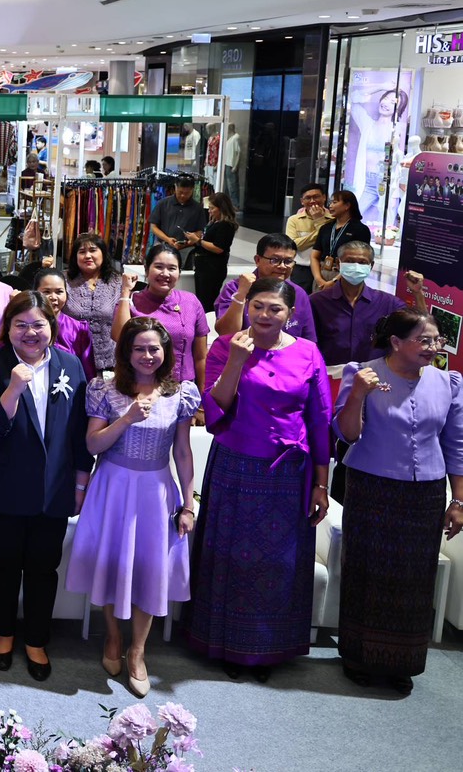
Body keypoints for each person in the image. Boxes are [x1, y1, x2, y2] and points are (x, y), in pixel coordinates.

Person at [186, 278, 330, 681]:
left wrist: (321, 482)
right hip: (236, 467)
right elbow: (215, 411)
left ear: (291, 314)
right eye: (259, 307)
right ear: (247, 306)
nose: (265, 316)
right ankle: (227, 643)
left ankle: (267, 648)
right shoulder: (226, 345)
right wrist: (235, 361)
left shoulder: (308, 353)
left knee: (276, 562)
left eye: (275, 309)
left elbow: (319, 421)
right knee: (231, 558)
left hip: (289, 473)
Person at [333, 309, 463, 695]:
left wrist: (458, 499)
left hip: (423, 495)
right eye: (424, 340)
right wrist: (358, 393)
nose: (433, 348)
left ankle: (401, 660)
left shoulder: (448, 383)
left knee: (414, 579)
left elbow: (456, 445)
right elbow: (346, 435)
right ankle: (358, 657)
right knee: (366, 572)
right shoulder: (363, 372)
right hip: (371, 487)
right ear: (396, 342)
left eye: (437, 341)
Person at [66, 318, 197, 698]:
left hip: (156, 490)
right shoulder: (105, 389)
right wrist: (126, 418)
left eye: (154, 348)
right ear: (126, 352)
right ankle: (111, 636)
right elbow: (92, 445)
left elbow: (184, 453)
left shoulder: (180, 394)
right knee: (113, 564)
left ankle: (137, 650)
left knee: (150, 569)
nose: (147, 355)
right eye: (139, 348)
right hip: (114, 485)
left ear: (166, 352)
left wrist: (187, 504)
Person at [0, 291, 91, 681]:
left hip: (54, 488)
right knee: (4, 565)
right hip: (6, 487)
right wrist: (13, 389)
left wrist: (80, 481)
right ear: (7, 328)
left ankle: (36, 640)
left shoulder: (70, 365)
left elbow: (79, 431)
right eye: (20, 324)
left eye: (38, 324)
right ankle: (3, 634)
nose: (30, 332)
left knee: (44, 567)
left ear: (51, 328)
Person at [311, 244, 424, 372]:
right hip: (329, 376)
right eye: (349, 261)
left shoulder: (387, 302)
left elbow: (420, 327)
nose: (356, 266)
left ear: (371, 265)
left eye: (362, 262)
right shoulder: (317, 302)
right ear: (338, 263)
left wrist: (418, 293)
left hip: (375, 377)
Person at [113, 244, 209, 391]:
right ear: (146, 269)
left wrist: (202, 396)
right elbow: (119, 336)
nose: (165, 274)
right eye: (158, 267)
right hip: (141, 387)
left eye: (172, 268)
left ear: (179, 272)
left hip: (184, 387)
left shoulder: (191, 301)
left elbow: (201, 357)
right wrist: (125, 291)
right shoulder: (132, 301)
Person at [213, 233, 319, 341]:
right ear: (257, 260)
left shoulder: (298, 293)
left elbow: (308, 340)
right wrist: (241, 295)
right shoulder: (236, 288)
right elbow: (226, 333)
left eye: (288, 261)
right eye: (275, 260)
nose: (282, 266)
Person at [65, 233, 123, 372]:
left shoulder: (118, 282)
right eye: (82, 252)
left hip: (111, 362)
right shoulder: (63, 281)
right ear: (75, 257)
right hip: (72, 359)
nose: (87, 256)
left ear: (103, 253)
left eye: (93, 250)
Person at [33, 267, 98, 381]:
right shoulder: (27, 327)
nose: (53, 297)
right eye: (46, 292)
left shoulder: (79, 329)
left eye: (59, 292)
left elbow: (88, 373)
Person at [311, 190, 373, 289]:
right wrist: (318, 279)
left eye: (334, 202)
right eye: (330, 202)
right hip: (322, 276)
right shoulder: (326, 227)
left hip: (346, 275)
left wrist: (334, 281)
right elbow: (314, 256)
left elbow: (359, 261)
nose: (330, 206)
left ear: (347, 206)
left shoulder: (360, 229)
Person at [192, 192, 238, 311]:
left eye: (212, 208)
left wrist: (198, 241)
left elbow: (218, 248)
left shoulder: (225, 225)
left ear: (221, 208)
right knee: (202, 299)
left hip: (212, 269)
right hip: (204, 266)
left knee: (206, 301)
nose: (209, 211)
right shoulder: (214, 222)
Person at [148, 176, 205, 268]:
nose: (183, 195)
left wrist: (186, 243)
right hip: (163, 246)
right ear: (175, 187)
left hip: (187, 250)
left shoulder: (197, 208)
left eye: (187, 193)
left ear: (192, 190)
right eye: (180, 192)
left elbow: (199, 232)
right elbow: (153, 227)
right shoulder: (163, 203)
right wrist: (167, 239)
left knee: (182, 278)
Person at [285, 183, 330, 295]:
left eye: (316, 197)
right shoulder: (294, 220)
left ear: (324, 197)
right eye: (308, 198)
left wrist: (319, 221)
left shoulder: (333, 219)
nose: (312, 201)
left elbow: (329, 243)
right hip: (301, 269)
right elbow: (294, 246)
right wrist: (319, 224)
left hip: (325, 270)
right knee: (301, 301)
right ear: (302, 201)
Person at [222, 125, 243, 205]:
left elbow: (239, 153)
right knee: (228, 187)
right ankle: (229, 204)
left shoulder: (236, 138)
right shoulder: (230, 138)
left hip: (231, 165)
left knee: (233, 187)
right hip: (227, 164)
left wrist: (235, 166)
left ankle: (235, 205)